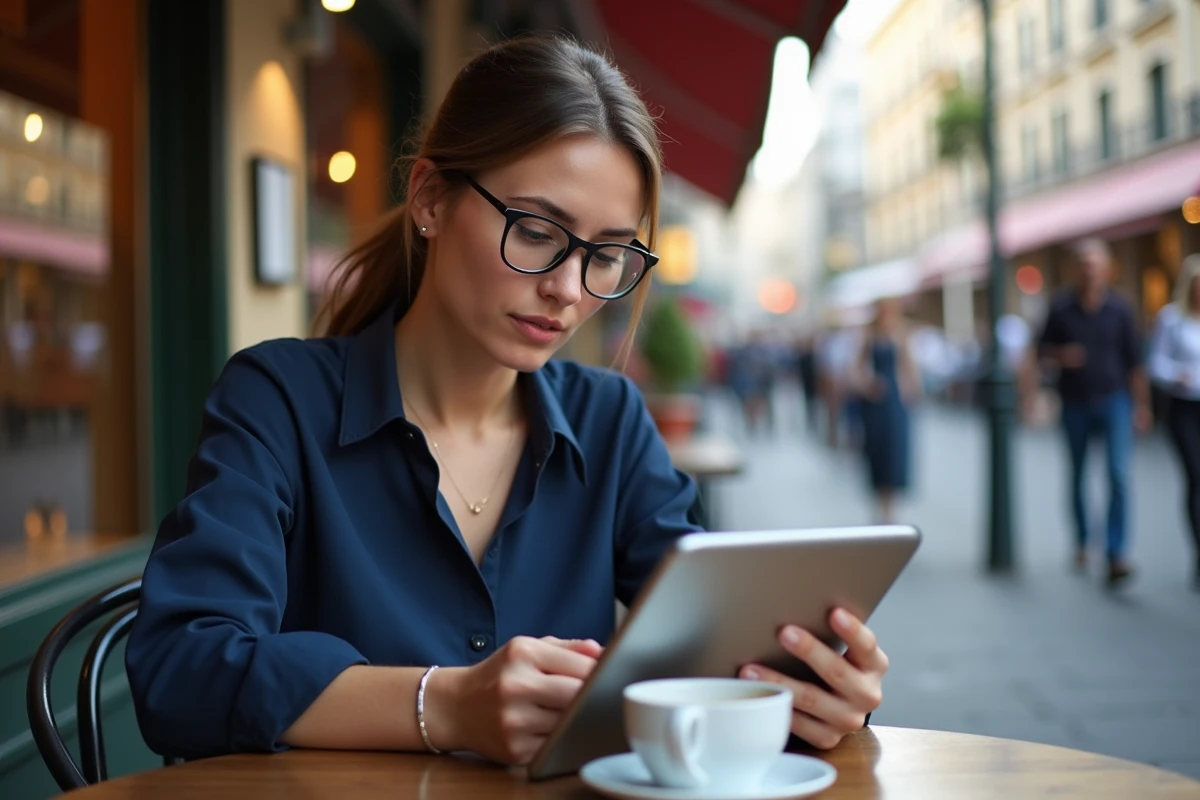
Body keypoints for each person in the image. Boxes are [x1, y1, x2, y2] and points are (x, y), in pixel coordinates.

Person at [124, 36, 887, 766]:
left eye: (607, 255)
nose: (566, 287)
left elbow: (713, 643)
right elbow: (181, 671)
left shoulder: (610, 422)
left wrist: (816, 686)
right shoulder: (279, 400)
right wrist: (444, 705)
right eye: (536, 230)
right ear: (429, 197)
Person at [1035, 238, 1151, 587]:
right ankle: (1083, 538)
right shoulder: (1060, 307)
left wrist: (1142, 406)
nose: (1090, 271)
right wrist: (1060, 356)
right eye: (1085, 265)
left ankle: (1116, 552)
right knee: (1078, 473)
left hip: (1115, 399)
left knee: (1117, 474)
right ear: (1077, 270)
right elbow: (1040, 351)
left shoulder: (1120, 309)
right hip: (1074, 402)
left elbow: (1136, 363)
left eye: (1096, 264)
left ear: (1107, 269)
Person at [1147, 253, 1200, 590]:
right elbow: (1156, 363)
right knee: (1196, 476)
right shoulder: (1172, 319)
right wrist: (1173, 375)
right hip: (1184, 407)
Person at [855, 298, 920, 524]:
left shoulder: (900, 334)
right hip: (875, 402)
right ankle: (880, 504)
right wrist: (867, 385)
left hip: (894, 400)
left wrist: (911, 392)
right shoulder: (869, 336)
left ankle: (890, 508)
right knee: (877, 449)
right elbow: (856, 369)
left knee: (895, 449)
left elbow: (910, 367)